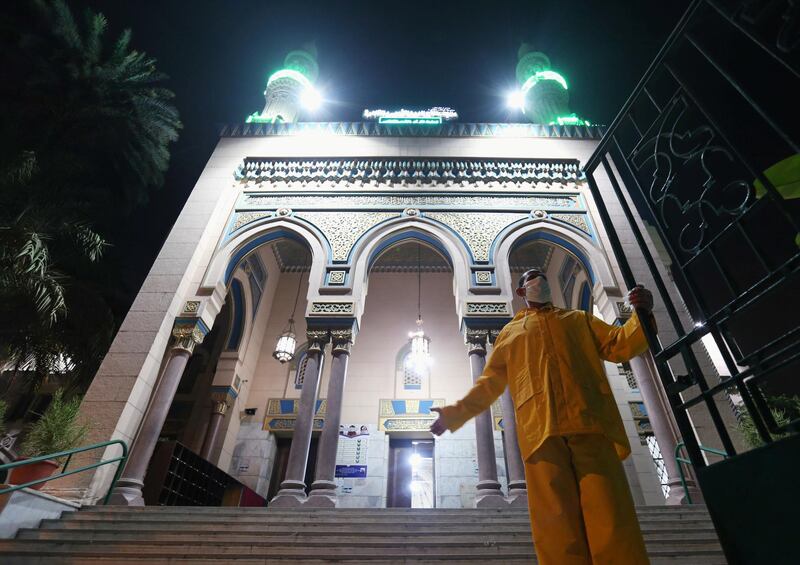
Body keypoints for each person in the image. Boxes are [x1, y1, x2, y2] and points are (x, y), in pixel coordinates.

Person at [430, 268, 654, 565]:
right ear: (521, 292)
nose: (540, 282)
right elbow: (489, 385)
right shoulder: (510, 334)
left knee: (610, 514)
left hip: (589, 423)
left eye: (542, 277)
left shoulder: (578, 320)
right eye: (532, 279)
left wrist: (642, 313)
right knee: (556, 525)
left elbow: (619, 345)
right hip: (540, 433)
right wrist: (453, 414)